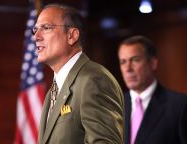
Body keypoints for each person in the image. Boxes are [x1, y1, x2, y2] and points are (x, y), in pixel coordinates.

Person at [33, 3, 124, 144]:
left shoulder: (94, 80)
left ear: (72, 35)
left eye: (46, 28)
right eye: (35, 30)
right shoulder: (51, 93)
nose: (36, 36)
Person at [117, 35, 187, 144]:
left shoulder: (181, 106)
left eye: (135, 60)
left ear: (153, 63)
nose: (128, 69)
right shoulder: (114, 106)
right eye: (123, 62)